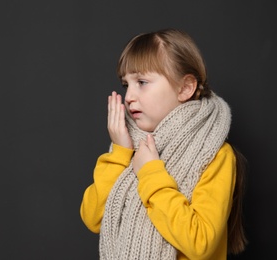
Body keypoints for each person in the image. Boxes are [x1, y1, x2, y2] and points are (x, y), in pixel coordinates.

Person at [80, 28, 247, 260]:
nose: (129, 97)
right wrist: (119, 153)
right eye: (126, 84)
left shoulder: (215, 154)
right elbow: (94, 218)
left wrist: (150, 173)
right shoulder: (130, 146)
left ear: (185, 88)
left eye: (142, 81)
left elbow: (200, 243)